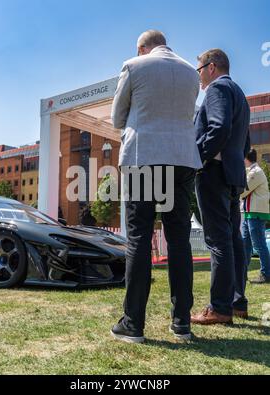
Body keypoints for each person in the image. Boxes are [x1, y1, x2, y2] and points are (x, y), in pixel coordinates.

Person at [110, 30, 202, 343]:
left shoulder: (133, 66)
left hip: (143, 156)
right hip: (182, 159)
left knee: (138, 236)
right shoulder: (192, 72)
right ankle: (182, 323)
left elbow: (117, 117)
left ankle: (133, 324)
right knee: (179, 240)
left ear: (142, 47)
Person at [192, 49, 251, 325]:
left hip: (214, 173)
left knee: (218, 241)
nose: (199, 75)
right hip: (233, 174)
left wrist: (197, 157)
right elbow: (246, 144)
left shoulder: (216, 90)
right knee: (233, 240)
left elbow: (218, 128)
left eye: (199, 69)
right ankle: (237, 302)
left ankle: (219, 307)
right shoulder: (239, 94)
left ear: (211, 67)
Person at [241, 149, 270, 284]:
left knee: (259, 245)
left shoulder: (255, 172)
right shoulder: (252, 171)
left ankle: (266, 274)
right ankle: (242, 273)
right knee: (245, 245)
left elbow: (242, 191)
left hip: (256, 214)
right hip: (250, 213)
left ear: (246, 158)